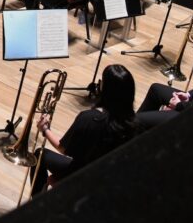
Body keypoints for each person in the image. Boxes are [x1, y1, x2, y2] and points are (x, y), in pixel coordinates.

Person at [31, 64, 137, 194]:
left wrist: (45, 129)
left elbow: (63, 149)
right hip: (108, 177)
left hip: (82, 176)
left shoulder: (89, 118)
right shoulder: (133, 122)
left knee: (39, 154)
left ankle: (37, 201)